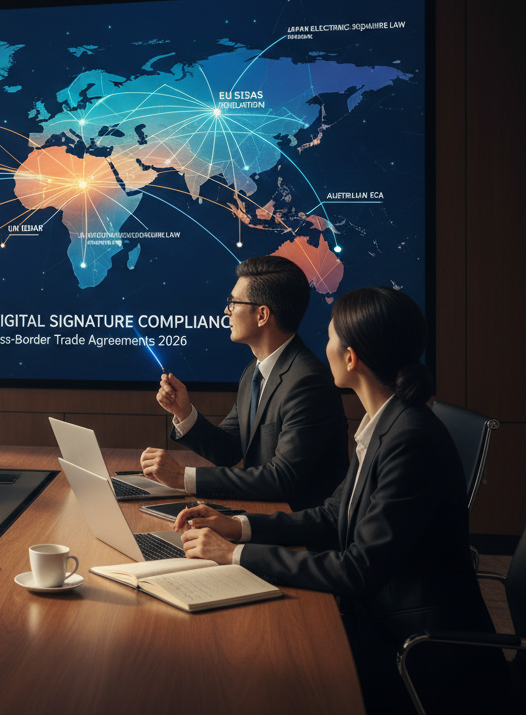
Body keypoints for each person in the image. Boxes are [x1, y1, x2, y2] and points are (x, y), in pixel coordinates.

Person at [175, 287, 506, 714]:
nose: (323, 347)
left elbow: (357, 570)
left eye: (330, 337)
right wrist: (237, 525)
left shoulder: (410, 439)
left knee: (259, 677)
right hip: (383, 621)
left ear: (351, 358)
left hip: (420, 654)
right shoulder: (388, 420)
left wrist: (235, 555)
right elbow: (335, 515)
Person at [141, 255, 348, 510]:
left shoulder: (308, 383)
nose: (226, 310)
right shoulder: (254, 370)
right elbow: (227, 450)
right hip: (262, 513)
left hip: (298, 534)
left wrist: (182, 477)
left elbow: (282, 479)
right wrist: (183, 412)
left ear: (262, 315)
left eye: (233, 302)